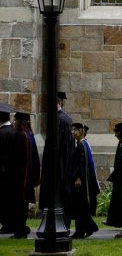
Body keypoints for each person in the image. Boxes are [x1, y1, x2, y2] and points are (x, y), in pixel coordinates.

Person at [41, 91, 75, 225]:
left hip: (60, 166)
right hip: (61, 164)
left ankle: (61, 223)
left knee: (60, 195)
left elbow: (58, 147)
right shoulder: (63, 118)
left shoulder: (60, 120)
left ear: (59, 103)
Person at [0, 103, 29, 238]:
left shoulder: (5, 133)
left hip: (8, 174)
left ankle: (10, 225)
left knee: (8, 201)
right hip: (16, 174)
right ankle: (13, 224)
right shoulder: (16, 133)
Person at [70, 122, 100, 239]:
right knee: (80, 207)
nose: (73, 132)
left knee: (80, 207)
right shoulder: (84, 144)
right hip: (83, 180)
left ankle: (90, 227)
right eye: (72, 130)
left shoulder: (81, 145)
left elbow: (80, 164)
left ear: (81, 131)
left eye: (75, 130)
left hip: (80, 182)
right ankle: (80, 231)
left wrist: (77, 177)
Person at [13, 111, 40, 219]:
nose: (13, 122)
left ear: (20, 122)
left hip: (22, 175)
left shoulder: (22, 136)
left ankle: (20, 228)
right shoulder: (29, 134)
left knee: (20, 203)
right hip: (27, 176)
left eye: (15, 120)